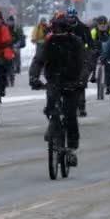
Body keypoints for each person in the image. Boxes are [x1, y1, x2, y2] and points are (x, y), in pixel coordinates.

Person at [29, 16, 85, 166]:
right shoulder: (49, 42)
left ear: (68, 30)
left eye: (62, 29)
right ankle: (54, 126)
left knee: (70, 114)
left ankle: (72, 148)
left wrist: (80, 81)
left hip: (71, 81)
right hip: (54, 80)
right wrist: (34, 77)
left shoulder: (76, 43)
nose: (58, 33)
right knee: (50, 108)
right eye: (56, 30)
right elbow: (38, 60)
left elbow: (83, 63)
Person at [66, 7, 96, 117]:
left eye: (72, 17)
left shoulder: (83, 28)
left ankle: (81, 106)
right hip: (65, 55)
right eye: (69, 17)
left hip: (80, 56)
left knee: (81, 82)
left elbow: (90, 43)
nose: (70, 19)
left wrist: (91, 52)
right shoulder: (62, 27)